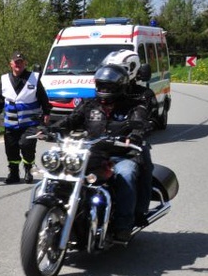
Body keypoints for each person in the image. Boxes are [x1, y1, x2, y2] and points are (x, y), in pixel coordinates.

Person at [52, 63, 150, 242]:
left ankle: (123, 225)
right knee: (62, 170)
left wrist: (135, 135)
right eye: (101, 85)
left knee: (126, 175)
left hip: (123, 155)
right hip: (94, 154)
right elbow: (72, 119)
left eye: (108, 86)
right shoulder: (90, 105)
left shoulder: (134, 106)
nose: (103, 89)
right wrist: (51, 129)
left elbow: (140, 121)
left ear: (119, 86)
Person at [101, 49, 156, 224]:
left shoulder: (143, 95)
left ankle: (138, 212)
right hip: (101, 145)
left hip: (130, 146)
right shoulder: (104, 92)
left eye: (118, 69)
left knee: (137, 169)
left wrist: (139, 132)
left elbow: (149, 118)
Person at [0, 51, 51, 184]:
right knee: (11, 149)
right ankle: (13, 173)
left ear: (25, 63)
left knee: (26, 145)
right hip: (11, 124)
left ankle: (28, 169)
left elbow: (43, 97)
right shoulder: (4, 79)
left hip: (30, 124)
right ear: (11, 64)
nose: (18, 64)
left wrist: (46, 112)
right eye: (15, 62)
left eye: (20, 62)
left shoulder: (34, 78)